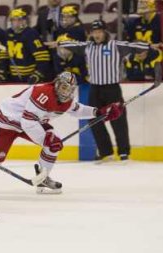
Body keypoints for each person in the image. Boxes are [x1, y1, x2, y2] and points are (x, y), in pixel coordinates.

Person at [0, 72, 124, 194]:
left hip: (26, 122)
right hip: (6, 121)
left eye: (69, 89)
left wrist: (98, 112)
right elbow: (28, 121)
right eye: (63, 87)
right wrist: (46, 139)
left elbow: (78, 110)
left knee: (54, 143)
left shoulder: (67, 101)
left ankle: (43, 176)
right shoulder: (43, 93)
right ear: (57, 84)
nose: (65, 92)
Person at [46, 20, 161, 162]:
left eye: (99, 32)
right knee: (94, 119)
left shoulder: (115, 45)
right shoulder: (88, 46)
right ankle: (105, 151)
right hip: (95, 88)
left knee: (118, 119)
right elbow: (74, 45)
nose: (97, 35)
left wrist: (150, 46)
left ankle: (124, 152)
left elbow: (132, 45)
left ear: (105, 32)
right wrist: (59, 44)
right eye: (94, 32)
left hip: (112, 88)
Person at [6, 8, 51, 83]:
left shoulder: (31, 34)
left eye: (20, 20)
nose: (17, 22)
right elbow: (4, 57)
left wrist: (37, 74)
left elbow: (43, 57)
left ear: (25, 21)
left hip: (29, 78)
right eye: (14, 20)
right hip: (12, 78)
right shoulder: (7, 34)